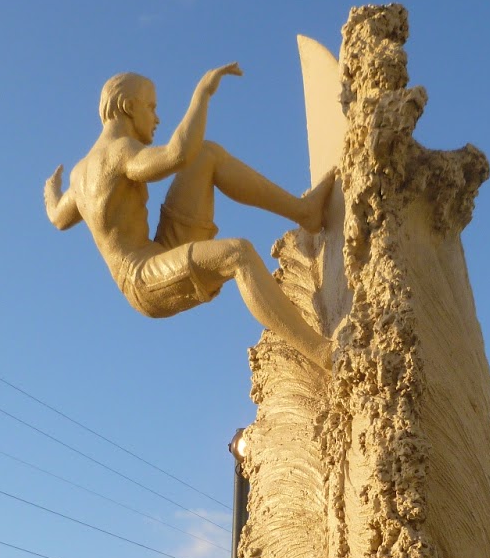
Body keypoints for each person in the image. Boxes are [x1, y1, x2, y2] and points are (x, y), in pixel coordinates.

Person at [44, 65, 334, 364]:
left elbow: (57, 217)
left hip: (161, 249)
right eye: (151, 107)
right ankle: (322, 352)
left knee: (206, 154)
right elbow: (176, 154)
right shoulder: (119, 153)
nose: (156, 118)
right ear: (129, 107)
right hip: (143, 278)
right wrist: (202, 94)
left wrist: (51, 192)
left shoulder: (79, 176)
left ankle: (305, 212)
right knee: (239, 254)